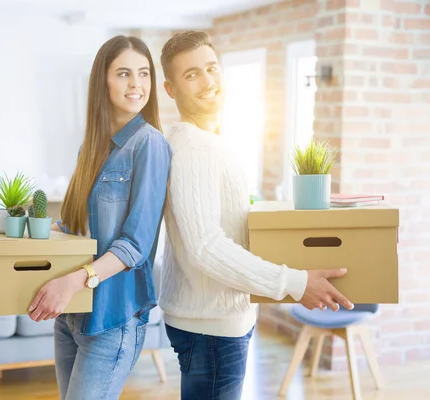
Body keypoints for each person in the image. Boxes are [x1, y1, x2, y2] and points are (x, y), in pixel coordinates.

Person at [158, 30, 354, 400]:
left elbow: (226, 224)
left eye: (211, 68)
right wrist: (295, 283)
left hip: (213, 320)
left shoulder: (211, 141)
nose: (208, 81)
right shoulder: (194, 147)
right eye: (191, 74)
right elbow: (206, 246)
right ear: (170, 89)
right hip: (211, 327)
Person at [27, 35, 172, 400]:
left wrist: (74, 281)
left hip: (112, 318)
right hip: (72, 315)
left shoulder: (149, 144)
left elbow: (135, 245)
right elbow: (74, 226)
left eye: (143, 74)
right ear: (102, 82)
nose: (136, 84)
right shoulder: (89, 147)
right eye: (124, 73)